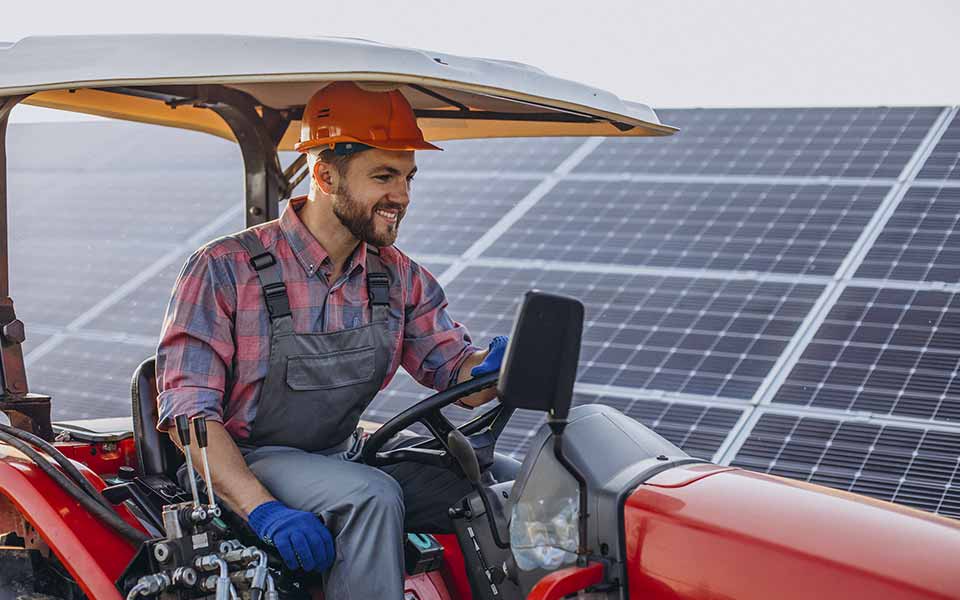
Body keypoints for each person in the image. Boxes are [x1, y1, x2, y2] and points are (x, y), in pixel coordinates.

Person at [155, 81, 517, 598]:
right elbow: (189, 419)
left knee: (508, 485)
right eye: (384, 176)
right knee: (370, 497)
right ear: (325, 175)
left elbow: (456, 371)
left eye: (409, 177)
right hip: (247, 459)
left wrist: (488, 368)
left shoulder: (397, 277)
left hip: (342, 454)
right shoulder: (224, 269)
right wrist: (264, 509)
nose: (403, 196)